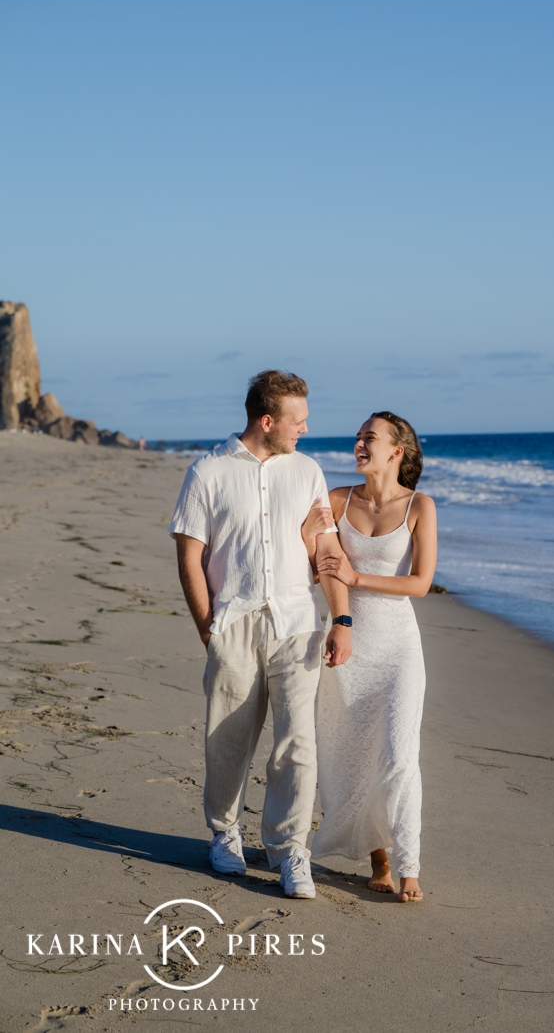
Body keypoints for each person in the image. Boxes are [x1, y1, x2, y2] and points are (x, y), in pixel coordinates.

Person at [169, 370, 349, 900]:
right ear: (267, 421)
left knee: (298, 742)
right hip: (234, 622)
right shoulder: (208, 472)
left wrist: (340, 619)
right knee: (227, 739)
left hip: (297, 622)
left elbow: (325, 551)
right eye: (299, 421)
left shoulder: (308, 471)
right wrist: (209, 628)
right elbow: (189, 557)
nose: (306, 429)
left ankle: (289, 848)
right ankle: (224, 832)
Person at [302, 412, 437, 902]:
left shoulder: (420, 506)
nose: (360, 443)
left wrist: (358, 578)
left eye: (370, 437)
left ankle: (409, 865)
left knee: (401, 755)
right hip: (347, 645)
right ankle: (378, 859)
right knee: (351, 757)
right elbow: (316, 560)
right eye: (359, 436)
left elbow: (420, 583)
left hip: (399, 647)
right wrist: (310, 543)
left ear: (396, 451)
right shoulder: (337, 501)